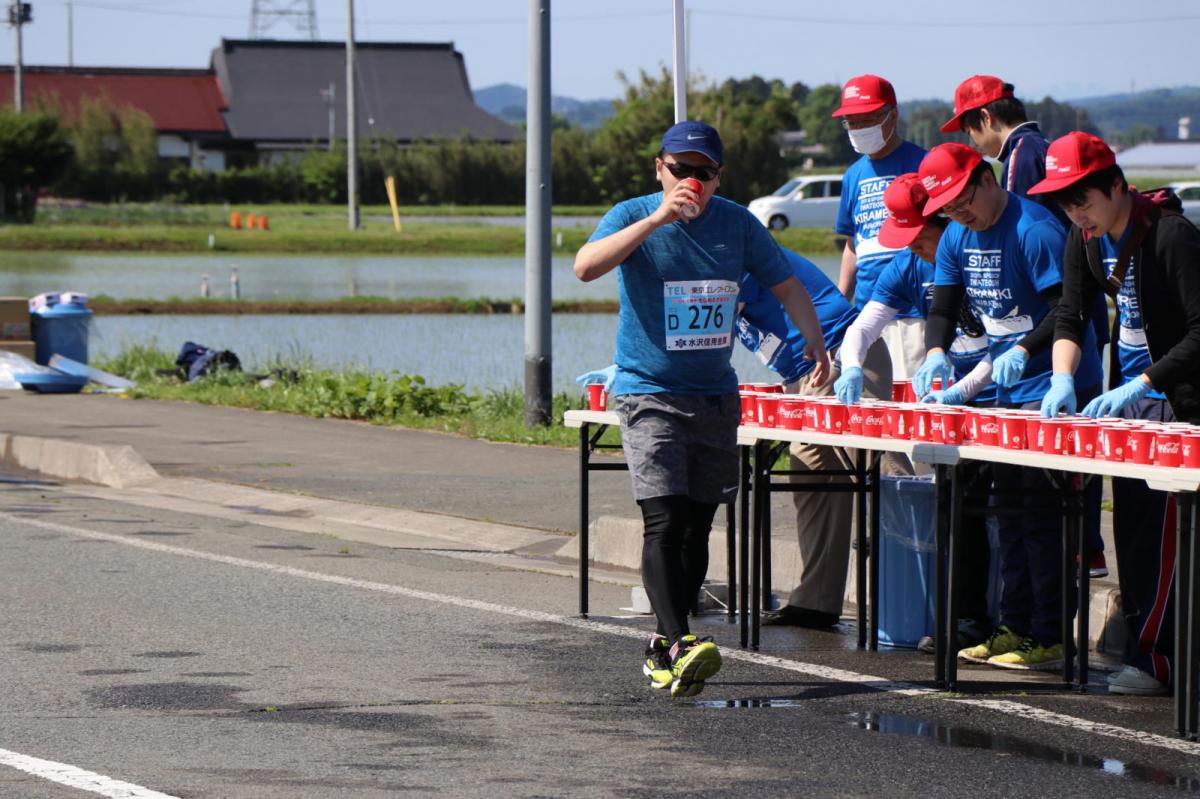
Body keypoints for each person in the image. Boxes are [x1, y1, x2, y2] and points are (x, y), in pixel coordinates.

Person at [573, 120, 829, 697]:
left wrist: (813, 340)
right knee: (663, 520)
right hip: (648, 392)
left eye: (703, 172)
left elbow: (786, 284)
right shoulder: (632, 213)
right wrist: (657, 218)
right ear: (659, 168)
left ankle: (664, 646)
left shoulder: (737, 222)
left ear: (719, 176)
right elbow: (585, 267)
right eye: (680, 169)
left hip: (714, 394)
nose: (691, 180)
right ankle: (681, 638)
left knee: (696, 525)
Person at [913, 142, 1104, 671]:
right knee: (1009, 517)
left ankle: (1048, 634)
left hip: (1054, 391)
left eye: (962, 201)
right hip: (1004, 396)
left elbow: (1068, 309)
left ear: (987, 178)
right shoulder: (955, 234)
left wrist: (1022, 350)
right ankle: (1013, 626)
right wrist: (934, 353)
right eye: (947, 209)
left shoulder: (1034, 229)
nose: (958, 214)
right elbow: (944, 305)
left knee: (1042, 520)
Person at [1031, 131, 1200, 695]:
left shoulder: (1172, 237)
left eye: (1084, 200)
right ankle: (1150, 654)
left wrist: (1145, 383)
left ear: (1117, 187)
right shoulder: (1083, 239)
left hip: (1179, 404)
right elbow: (1072, 314)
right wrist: (1061, 377)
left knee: (1167, 535)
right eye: (1065, 204)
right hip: (1129, 409)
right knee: (1130, 526)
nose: (1077, 214)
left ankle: (1162, 661)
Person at [943, 76, 1110, 577]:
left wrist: (1013, 355)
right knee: (1023, 510)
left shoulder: (1020, 160)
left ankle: (1078, 566)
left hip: (1055, 345)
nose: (977, 145)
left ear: (987, 120)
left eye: (972, 133)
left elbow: (1037, 272)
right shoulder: (1037, 148)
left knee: (1042, 512)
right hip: (1049, 344)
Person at [834, 173, 996, 647]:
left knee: (1006, 516)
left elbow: (1004, 346)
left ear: (943, 219)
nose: (915, 249)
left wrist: (959, 390)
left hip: (998, 394)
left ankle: (995, 623)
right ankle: (961, 621)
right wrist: (851, 366)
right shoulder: (907, 265)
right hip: (956, 407)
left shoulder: (977, 255)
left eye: (919, 237)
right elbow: (862, 328)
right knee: (957, 509)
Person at [736, 248, 890, 628]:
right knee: (812, 475)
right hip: (804, 376)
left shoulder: (733, 255)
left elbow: (710, 331)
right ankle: (816, 602)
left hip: (845, 358)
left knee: (884, 477)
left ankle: (912, 602)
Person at [832, 74, 928, 380]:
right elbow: (852, 244)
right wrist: (838, 303)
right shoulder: (853, 176)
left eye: (867, 119)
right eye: (851, 121)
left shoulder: (922, 164)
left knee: (913, 398)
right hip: (867, 311)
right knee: (872, 405)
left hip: (914, 311)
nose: (859, 129)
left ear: (893, 115)